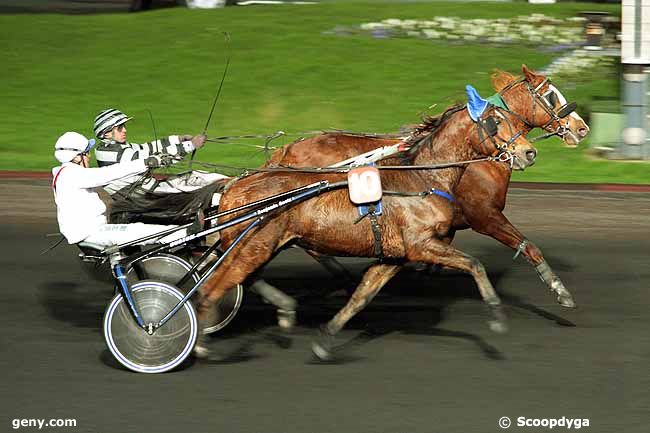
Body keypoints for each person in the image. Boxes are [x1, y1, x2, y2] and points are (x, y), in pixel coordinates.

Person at [52, 131, 189, 248]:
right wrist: (145, 162)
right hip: (93, 232)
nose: (89, 156)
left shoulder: (67, 173)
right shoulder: (72, 175)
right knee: (149, 232)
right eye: (86, 153)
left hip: (94, 229)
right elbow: (111, 173)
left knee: (142, 228)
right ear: (76, 157)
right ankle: (188, 232)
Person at [93, 108, 227, 198]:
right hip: (144, 193)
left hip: (146, 187)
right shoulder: (112, 153)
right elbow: (149, 158)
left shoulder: (115, 147)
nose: (125, 130)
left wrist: (177, 139)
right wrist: (190, 145)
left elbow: (146, 148)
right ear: (107, 133)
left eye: (124, 126)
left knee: (202, 176)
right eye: (120, 128)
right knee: (199, 192)